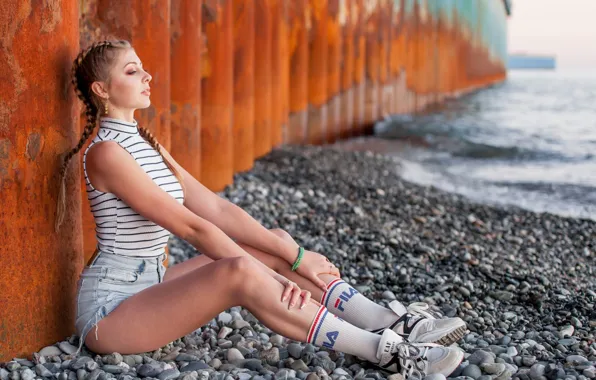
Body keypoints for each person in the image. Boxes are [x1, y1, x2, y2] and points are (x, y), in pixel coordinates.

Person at [55, 40, 466, 379]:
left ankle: (382, 320)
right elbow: (191, 228)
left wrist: (295, 258)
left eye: (143, 67)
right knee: (240, 269)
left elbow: (214, 207)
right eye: (131, 71)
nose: (147, 76)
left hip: (153, 288)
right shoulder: (105, 154)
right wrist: (265, 275)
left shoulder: (147, 144)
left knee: (277, 245)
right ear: (101, 90)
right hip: (110, 314)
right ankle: (386, 352)